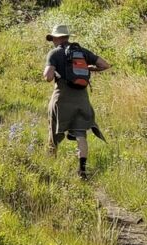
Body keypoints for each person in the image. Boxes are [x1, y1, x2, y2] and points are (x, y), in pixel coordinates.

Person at [43, 25, 111, 179]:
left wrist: (51, 71)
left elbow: (48, 77)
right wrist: (88, 69)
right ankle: (82, 170)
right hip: (82, 100)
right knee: (81, 135)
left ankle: (50, 166)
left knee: (54, 132)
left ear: (58, 38)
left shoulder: (54, 53)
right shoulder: (82, 52)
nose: (53, 40)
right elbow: (105, 65)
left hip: (62, 99)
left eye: (53, 38)